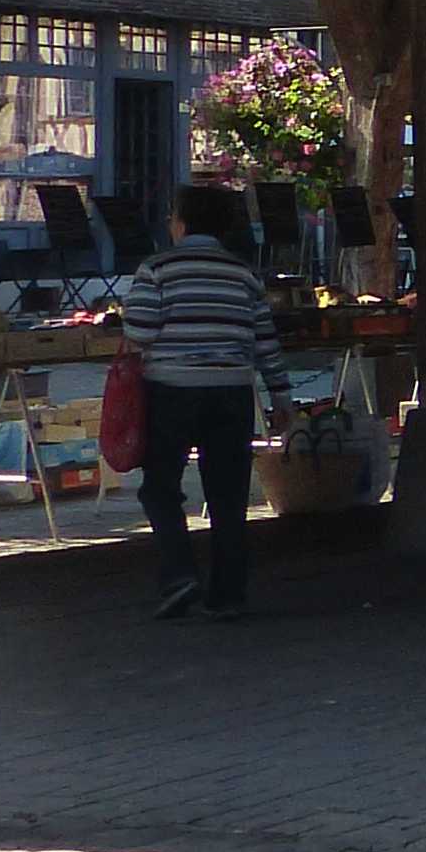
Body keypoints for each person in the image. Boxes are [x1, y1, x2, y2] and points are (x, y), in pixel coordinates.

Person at [131, 184, 293, 621]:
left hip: (171, 390)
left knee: (160, 486)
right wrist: (282, 396)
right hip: (232, 391)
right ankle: (228, 594)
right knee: (227, 492)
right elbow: (266, 343)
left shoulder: (157, 269)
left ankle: (180, 573)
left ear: (181, 223)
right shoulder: (243, 275)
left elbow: (140, 332)